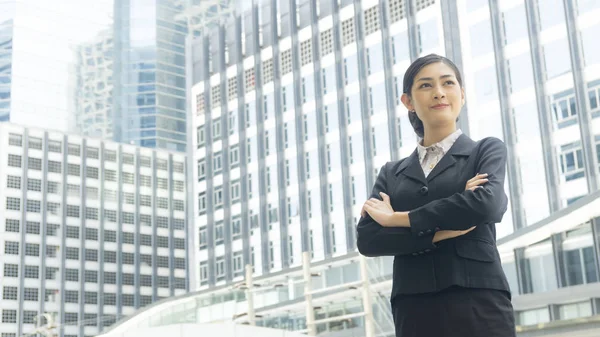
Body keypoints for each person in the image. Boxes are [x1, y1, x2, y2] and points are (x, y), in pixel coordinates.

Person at [356, 54, 516, 337]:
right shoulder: (392, 173)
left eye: (448, 83)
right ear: (408, 101)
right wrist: (439, 232)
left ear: (462, 94)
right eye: (426, 85)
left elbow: (487, 205)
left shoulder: (486, 150)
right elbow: (369, 239)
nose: (439, 92)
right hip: (414, 304)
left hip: (478, 299)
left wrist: (396, 219)